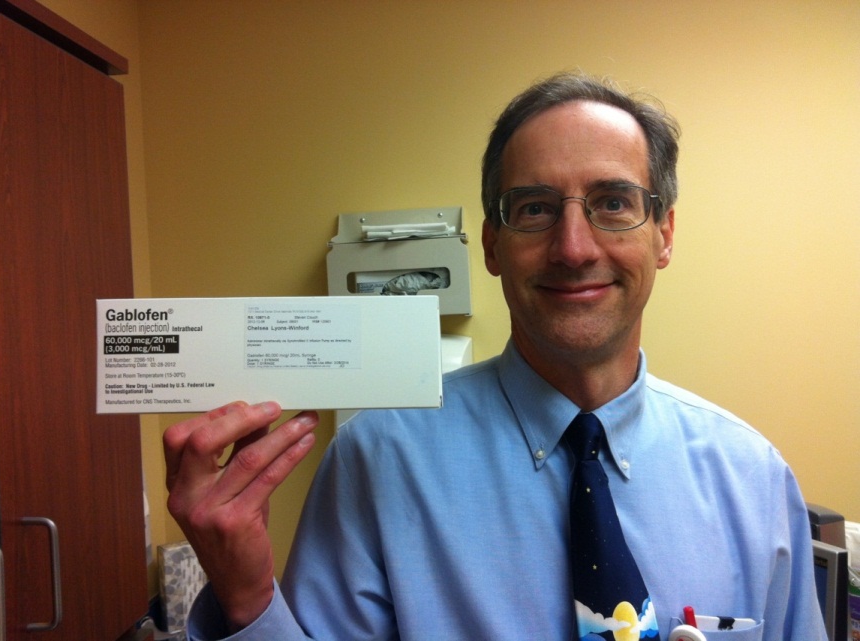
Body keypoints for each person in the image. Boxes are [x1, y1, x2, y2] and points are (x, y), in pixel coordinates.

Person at [164, 72, 826, 641]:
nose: (574, 246)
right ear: (491, 244)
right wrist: (247, 592)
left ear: (665, 233)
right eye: (535, 208)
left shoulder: (756, 481)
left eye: (614, 203)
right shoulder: (378, 460)